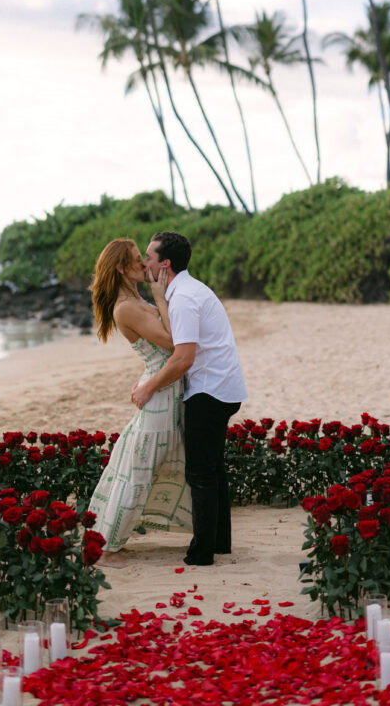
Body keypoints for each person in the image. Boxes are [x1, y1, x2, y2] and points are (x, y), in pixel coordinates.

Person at [132, 231, 248, 566]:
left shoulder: (183, 298)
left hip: (210, 391)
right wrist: (159, 295)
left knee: (200, 472)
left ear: (164, 264)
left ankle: (202, 553)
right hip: (223, 386)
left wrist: (148, 387)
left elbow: (183, 358)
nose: (143, 263)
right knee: (212, 468)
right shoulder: (188, 289)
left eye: (148, 258)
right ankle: (218, 543)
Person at [87, 238, 192, 567]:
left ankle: (110, 541)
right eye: (137, 260)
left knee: (138, 464)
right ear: (120, 268)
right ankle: (108, 549)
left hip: (161, 386)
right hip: (159, 394)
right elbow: (174, 341)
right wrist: (161, 296)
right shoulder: (127, 307)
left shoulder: (134, 299)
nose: (144, 265)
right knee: (139, 469)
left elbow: (157, 351)